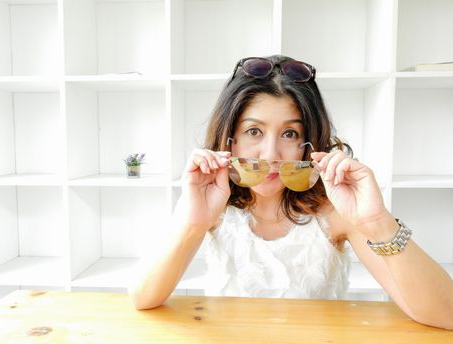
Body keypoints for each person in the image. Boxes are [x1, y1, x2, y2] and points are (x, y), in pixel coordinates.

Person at [129, 55, 453, 329]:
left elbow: (445, 314)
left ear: (309, 142)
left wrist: (377, 220)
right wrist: (192, 222)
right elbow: (143, 298)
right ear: (230, 140)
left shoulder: (334, 211)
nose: (270, 154)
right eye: (254, 130)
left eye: (289, 133)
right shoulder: (213, 206)